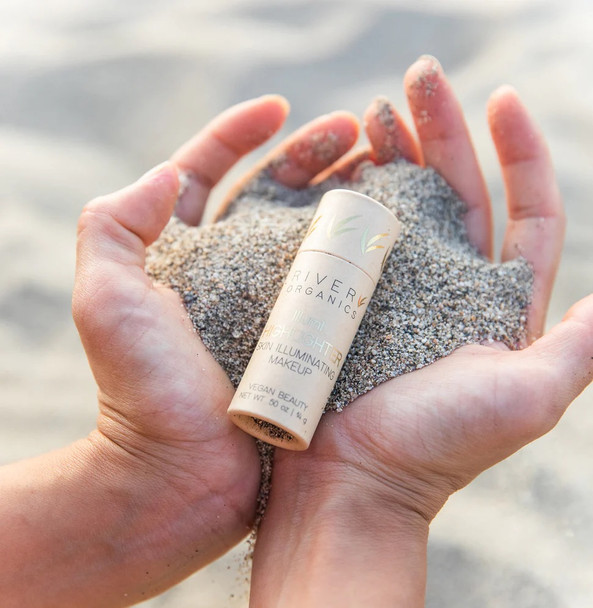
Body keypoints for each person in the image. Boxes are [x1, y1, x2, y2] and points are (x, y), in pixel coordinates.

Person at [1, 55, 591, 608]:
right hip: (263, 407)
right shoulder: (314, 256)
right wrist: (153, 460)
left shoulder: (367, 261)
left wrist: (158, 467)